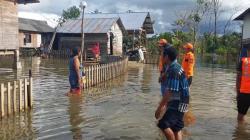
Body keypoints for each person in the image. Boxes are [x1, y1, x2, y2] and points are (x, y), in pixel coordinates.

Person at [155, 47, 190, 140]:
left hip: (178, 102)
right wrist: (163, 77)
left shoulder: (174, 70)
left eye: (163, 55)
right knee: (176, 128)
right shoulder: (175, 66)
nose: (162, 57)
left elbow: (169, 93)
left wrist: (159, 109)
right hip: (184, 101)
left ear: (167, 56)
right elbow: (166, 74)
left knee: (163, 124)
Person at [236, 46, 250, 123]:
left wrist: (238, 93)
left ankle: (240, 132)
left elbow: (238, 79)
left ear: (248, 51)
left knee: (240, 117)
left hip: (244, 93)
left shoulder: (243, 62)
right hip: (244, 93)